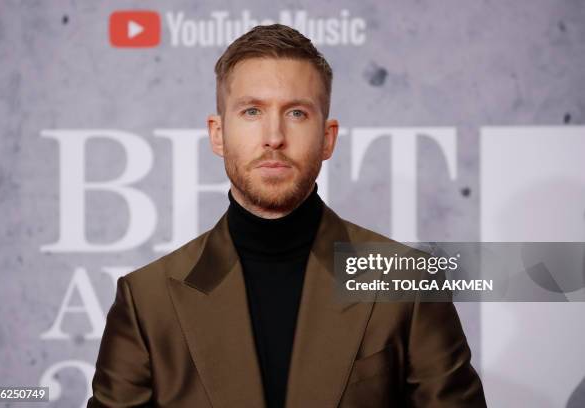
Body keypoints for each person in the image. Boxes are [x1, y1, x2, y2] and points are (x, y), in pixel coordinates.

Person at [87, 24, 486, 407]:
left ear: (327, 138)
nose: (274, 137)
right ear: (217, 134)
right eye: (251, 112)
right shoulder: (147, 302)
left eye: (296, 113)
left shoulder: (407, 282)